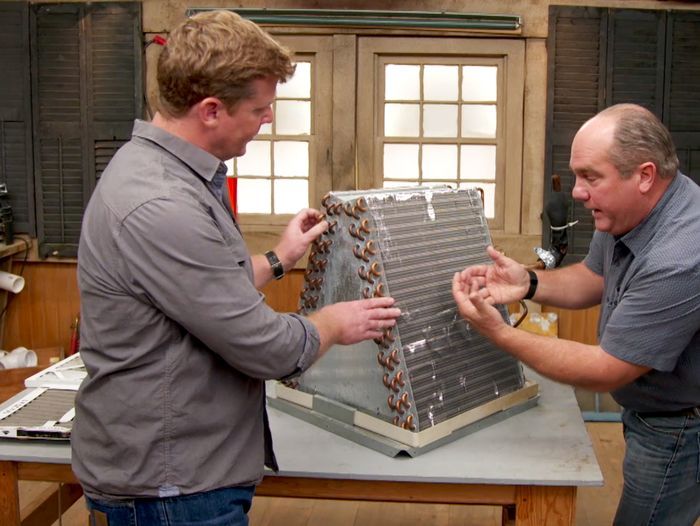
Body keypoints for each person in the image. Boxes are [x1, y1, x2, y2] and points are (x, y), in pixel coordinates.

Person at [72, 10, 401, 526]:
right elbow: (263, 345)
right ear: (209, 110)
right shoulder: (161, 203)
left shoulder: (165, 173)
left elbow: (195, 294)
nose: (267, 119)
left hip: (178, 475)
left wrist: (279, 258)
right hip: (171, 492)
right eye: (259, 108)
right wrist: (336, 323)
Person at [452, 103, 699, 525]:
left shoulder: (680, 256)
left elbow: (608, 369)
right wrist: (527, 284)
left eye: (590, 177)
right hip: (651, 411)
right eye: (576, 175)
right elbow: (592, 276)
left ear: (644, 175)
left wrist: (500, 334)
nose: (577, 192)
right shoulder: (630, 212)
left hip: (681, 426)